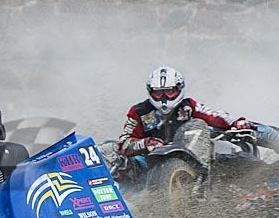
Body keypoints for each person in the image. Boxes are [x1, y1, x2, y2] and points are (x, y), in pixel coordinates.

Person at [118, 65, 279, 161]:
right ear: (150, 92)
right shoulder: (139, 112)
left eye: (169, 92)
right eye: (159, 93)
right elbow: (124, 143)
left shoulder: (189, 106)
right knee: (113, 155)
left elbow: (214, 116)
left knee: (242, 155)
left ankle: (267, 174)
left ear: (179, 89)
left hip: (197, 157)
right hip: (153, 163)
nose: (164, 98)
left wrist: (235, 122)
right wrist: (146, 143)